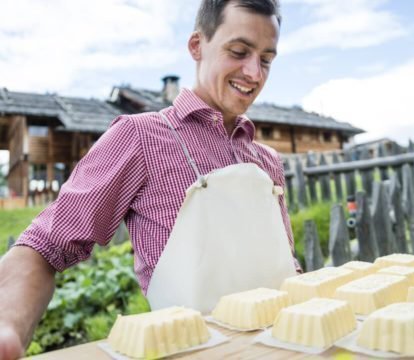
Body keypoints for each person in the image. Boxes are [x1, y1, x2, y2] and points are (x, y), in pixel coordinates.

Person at [0, 0, 301, 357]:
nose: (254, 72)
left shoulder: (266, 161)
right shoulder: (140, 137)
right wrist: (7, 327)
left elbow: (286, 270)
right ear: (196, 46)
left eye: (266, 59)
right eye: (239, 51)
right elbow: (44, 246)